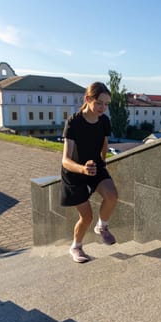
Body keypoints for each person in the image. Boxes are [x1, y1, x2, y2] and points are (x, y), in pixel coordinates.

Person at [60, 82, 119, 263]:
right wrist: (82, 169)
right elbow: (65, 160)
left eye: (107, 104)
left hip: (95, 167)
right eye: (100, 103)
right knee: (87, 217)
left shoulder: (104, 121)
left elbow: (104, 143)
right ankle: (76, 247)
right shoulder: (74, 122)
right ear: (88, 99)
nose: (103, 108)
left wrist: (102, 161)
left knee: (112, 195)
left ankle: (102, 227)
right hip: (74, 172)